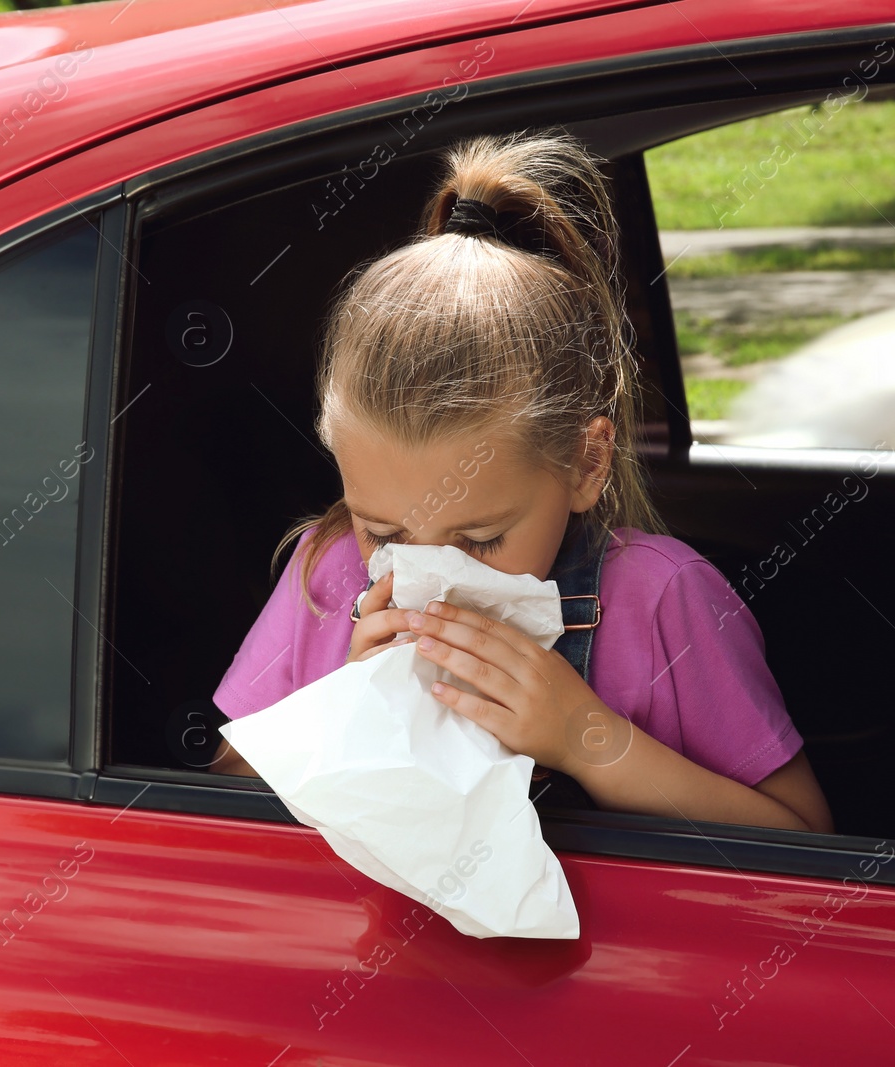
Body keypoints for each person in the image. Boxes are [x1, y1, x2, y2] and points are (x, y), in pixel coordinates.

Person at [208, 127, 832, 834]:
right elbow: (222, 802)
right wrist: (352, 705)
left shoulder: (662, 601)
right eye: (384, 532)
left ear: (586, 464)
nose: (433, 569)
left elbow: (804, 838)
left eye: (479, 540)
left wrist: (587, 738)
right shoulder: (324, 577)